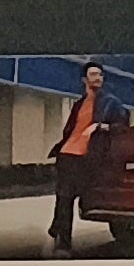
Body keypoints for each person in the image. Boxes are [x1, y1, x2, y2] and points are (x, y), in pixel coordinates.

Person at [46, 63, 109, 250]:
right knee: (65, 196)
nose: (98, 77)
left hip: (87, 157)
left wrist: (99, 127)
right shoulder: (79, 104)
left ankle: (56, 226)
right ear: (84, 80)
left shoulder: (109, 102)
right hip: (67, 155)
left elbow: (121, 125)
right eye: (93, 74)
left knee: (71, 196)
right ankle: (64, 243)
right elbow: (70, 130)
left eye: (100, 74)